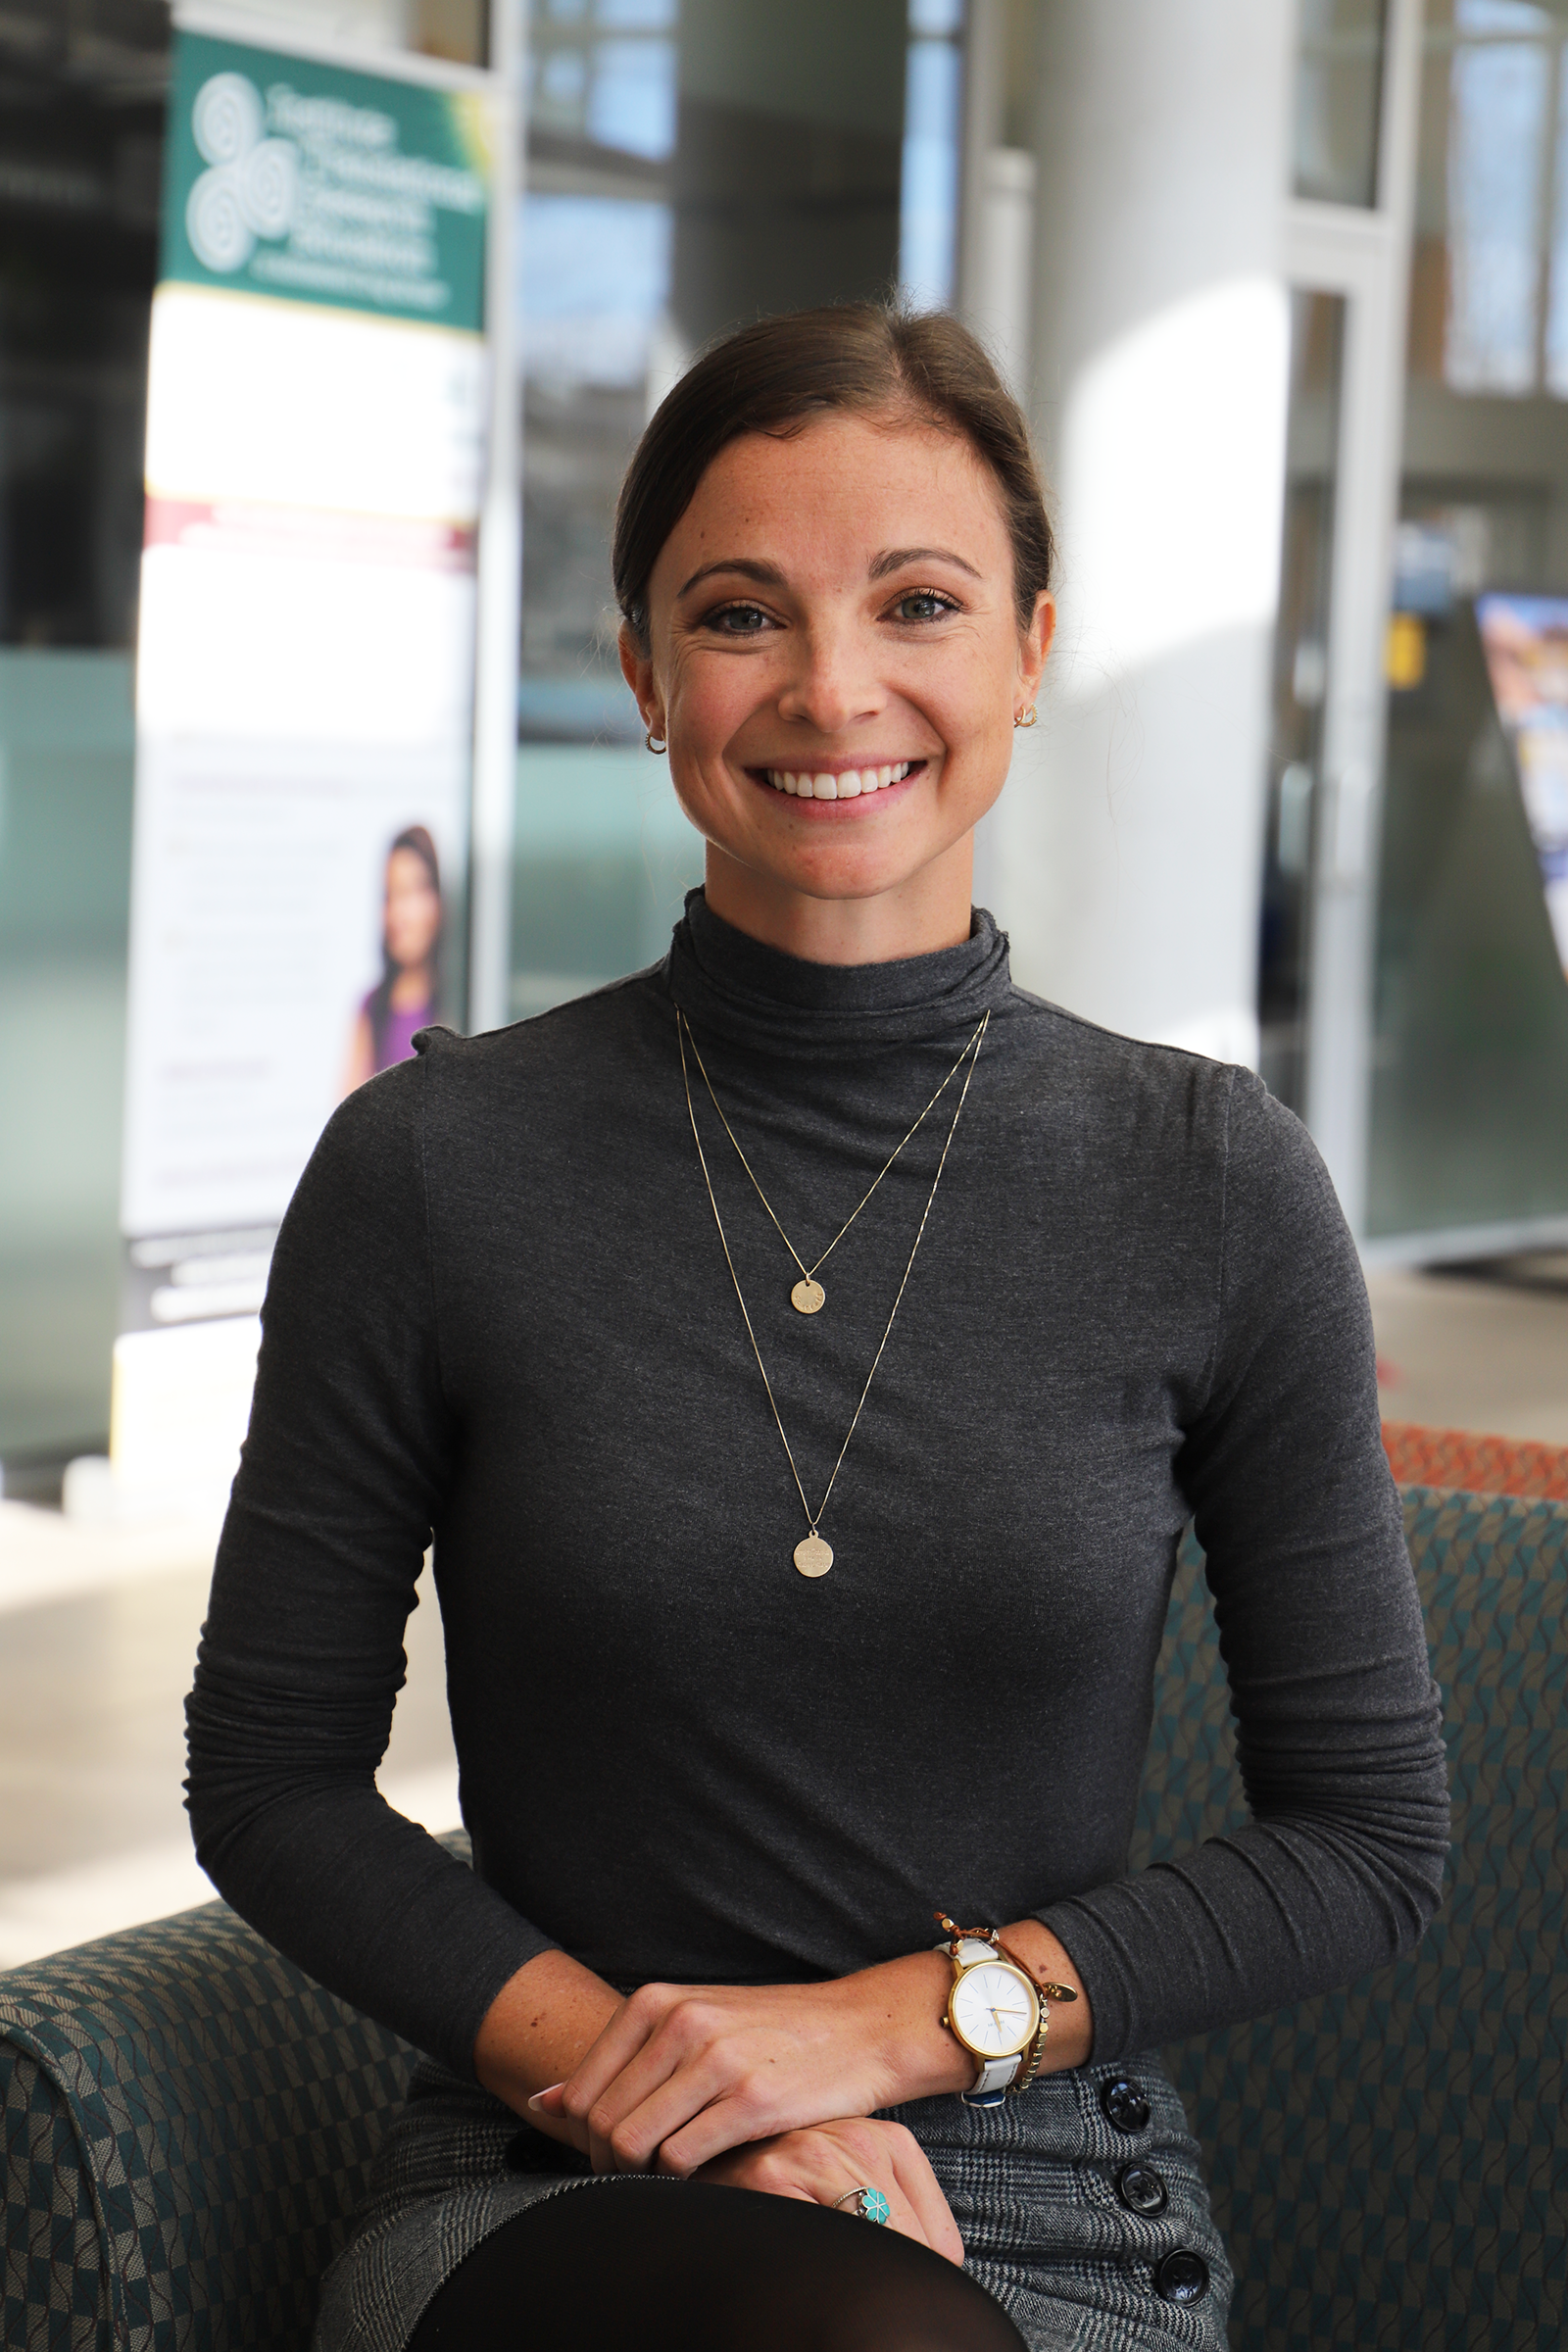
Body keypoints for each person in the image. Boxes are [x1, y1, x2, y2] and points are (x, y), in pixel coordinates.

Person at [186, 304, 1449, 2351]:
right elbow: (270, 1778)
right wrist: (667, 2086)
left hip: (1037, 2188)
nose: (830, 687)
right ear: (644, 674)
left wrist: (876, 2034)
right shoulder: (431, 1166)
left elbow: (1365, 1840)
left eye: (918, 603)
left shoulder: (1205, 1179)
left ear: (1031, 651)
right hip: (550, 2168)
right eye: (740, 614)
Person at [342, 824, 444, 1093]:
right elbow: (345, 1112)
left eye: (411, 892)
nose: (399, 914)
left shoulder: (458, 1001)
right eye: (390, 895)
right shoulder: (373, 1009)